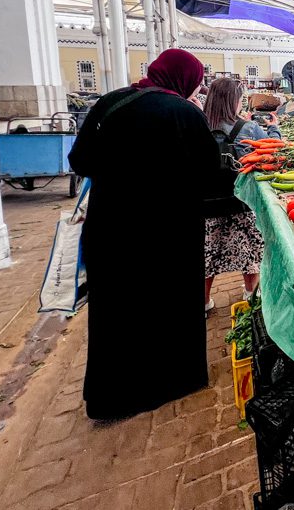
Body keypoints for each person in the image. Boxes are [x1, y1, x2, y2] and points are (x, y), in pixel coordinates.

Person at [68, 49, 219, 420]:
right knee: (169, 302)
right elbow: (209, 174)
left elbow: (80, 161)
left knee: (116, 309)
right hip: (169, 230)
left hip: (112, 226)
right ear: (186, 80)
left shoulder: (110, 103)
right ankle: (174, 382)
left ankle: (111, 398)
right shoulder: (184, 113)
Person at [202, 78, 278, 312]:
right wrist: (274, 126)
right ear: (233, 101)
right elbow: (274, 148)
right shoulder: (248, 128)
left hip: (206, 202)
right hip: (242, 200)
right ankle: (250, 294)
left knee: (207, 253)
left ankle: (203, 303)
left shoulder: (196, 124)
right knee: (249, 248)